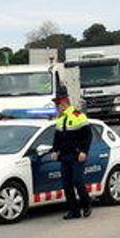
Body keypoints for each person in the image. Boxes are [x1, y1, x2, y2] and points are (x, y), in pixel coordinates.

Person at [50, 89, 92, 220]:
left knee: (77, 181)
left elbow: (88, 136)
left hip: (77, 156)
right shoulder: (60, 119)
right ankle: (74, 211)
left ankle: (86, 205)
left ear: (63, 104)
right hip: (64, 156)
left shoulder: (78, 116)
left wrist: (84, 151)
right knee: (66, 184)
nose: (56, 108)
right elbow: (57, 138)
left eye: (57, 105)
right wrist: (55, 151)